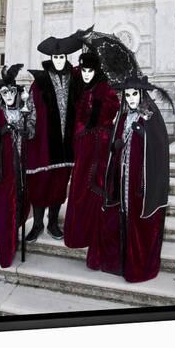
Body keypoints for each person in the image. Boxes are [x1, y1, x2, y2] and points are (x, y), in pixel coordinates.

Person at [87, 74, 174, 283]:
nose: (131, 98)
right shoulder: (124, 117)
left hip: (140, 182)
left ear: (142, 94)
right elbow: (116, 144)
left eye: (135, 94)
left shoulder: (150, 117)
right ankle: (123, 260)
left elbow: (159, 146)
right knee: (123, 216)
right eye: (128, 94)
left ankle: (138, 264)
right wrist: (115, 146)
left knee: (137, 218)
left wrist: (143, 134)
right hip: (123, 179)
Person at [25, 34, 82, 242]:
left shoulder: (75, 80)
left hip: (66, 143)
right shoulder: (39, 82)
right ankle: (38, 223)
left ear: (66, 58)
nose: (59, 61)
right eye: (56, 58)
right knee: (40, 183)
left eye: (62, 57)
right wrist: (27, 129)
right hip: (43, 143)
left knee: (59, 183)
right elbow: (30, 109)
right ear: (51, 58)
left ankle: (52, 223)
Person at [64, 52, 120, 249]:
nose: (86, 74)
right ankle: (79, 233)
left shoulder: (105, 88)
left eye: (90, 71)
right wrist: (80, 130)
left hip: (98, 146)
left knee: (94, 184)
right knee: (79, 185)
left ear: (96, 70)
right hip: (83, 145)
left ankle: (93, 232)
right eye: (84, 71)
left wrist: (98, 115)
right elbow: (78, 114)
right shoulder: (84, 87)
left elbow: (113, 109)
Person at [0, 64, 33, 268]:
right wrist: (1, 133)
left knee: (21, 206)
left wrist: (27, 133)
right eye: (4, 92)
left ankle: (7, 236)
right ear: (0, 95)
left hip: (21, 171)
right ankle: (5, 249)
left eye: (12, 91)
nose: (9, 95)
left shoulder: (23, 112)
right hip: (3, 173)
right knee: (4, 209)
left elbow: (31, 137)